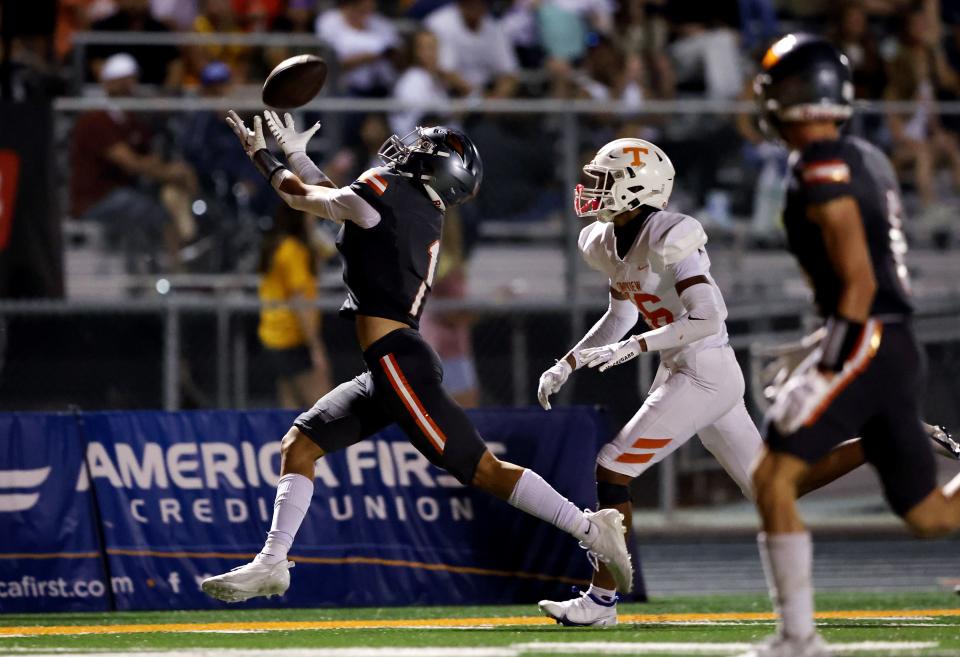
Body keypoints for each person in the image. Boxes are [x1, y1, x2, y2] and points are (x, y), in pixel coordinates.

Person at [199, 111, 634, 602]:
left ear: (436, 169)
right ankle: (272, 563)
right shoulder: (405, 203)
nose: (408, 151)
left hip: (397, 362)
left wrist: (262, 156)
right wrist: (297, 155)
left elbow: (300, 196)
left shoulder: (389, 194)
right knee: (299, 445)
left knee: (482, 470)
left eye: (421, 150)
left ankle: (591, 530)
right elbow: (336, 201)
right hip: (385, 365)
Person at [534, 137, 960, 628]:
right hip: (685, 367)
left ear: (637, 189)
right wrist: (567, 363)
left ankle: (600, 602)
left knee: (612, 468)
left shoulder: (671, 233)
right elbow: (620, 314)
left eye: (604, 181)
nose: (591, 189)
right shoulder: (605, 240)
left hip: (703, 369)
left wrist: (634, 348)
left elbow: (710, 317)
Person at [741, 34, 960, 657]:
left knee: (774, 478)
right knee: (929, 517)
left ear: (798, 95)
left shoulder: (820, 165)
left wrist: (826, 358)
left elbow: (861, 283)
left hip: (868, 341)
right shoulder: (859, 155)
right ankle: (798, 636)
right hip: (885, 342)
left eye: (777, 88)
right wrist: (820, 338)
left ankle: (799, 638)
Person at [70, 53, 198, 271]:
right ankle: (166, 272)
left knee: (161, 201)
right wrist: (169, 173)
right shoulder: (96, 119)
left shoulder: (130, 120)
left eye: (131, 82)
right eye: (122, 83)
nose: (129, 88)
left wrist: (172, 170)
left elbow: (148, 157)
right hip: (96, 198)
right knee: (152, 212)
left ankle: (173, 264)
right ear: (109, 84)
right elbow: (130, 162)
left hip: (122, 191)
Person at [258, 203, 333, 408]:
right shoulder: (292, 251)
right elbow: (300, 304)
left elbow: (329, 252)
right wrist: (315, 348)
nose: (314, 219)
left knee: (290, 406)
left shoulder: (281, 245)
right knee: (324, 407)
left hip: (275, 337)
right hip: (291, 338)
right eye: (310, 215)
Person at [425, 0, 519, 99]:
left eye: (481, 2)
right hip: (448, 93)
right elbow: (444, 70)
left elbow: (510, 73)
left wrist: (497, 100)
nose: (476, 5)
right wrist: (479, 97)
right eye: (471, 2)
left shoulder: (495, 28)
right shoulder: (440, 22)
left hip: (487, 92)